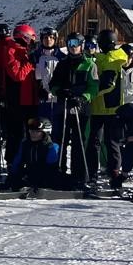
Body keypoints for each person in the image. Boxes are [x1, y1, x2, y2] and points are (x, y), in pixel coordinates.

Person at [47, 33, 98, 195]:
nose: (73, 46)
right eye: (70, 43)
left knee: (79, 143)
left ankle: (79, 177)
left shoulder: (89, 64)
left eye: (76, 43)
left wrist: (82, 98)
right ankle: (58, 174)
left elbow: (94, 88)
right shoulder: (62, 64)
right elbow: (53, 84)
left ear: (82, 46)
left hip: (80, 109)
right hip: (63, 107)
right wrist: (59, 91)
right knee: (59, 141)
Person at [90, 29, 127, 190]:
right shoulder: (101, 58)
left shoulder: (114, 58)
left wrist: (89, 94)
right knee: (96, 142)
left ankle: (114, 173)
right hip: (98, 108)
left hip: (111, 108)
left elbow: (108, 84)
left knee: (111, 142)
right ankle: (92, 173)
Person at [0, 23, 38, 163]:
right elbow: (18, 75)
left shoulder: (26, 51)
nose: (33, 41)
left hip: (30, 99)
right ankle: (13, 162)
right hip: (16, 99)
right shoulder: (11, 50)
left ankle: (28, 161)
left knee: (31, 132)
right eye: (31, 38)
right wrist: (29, 62)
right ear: (25, 37)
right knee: (17, 133)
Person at [4, 115, 79, 194]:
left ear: (45, 132)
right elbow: (17, 163)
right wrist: (11, 177)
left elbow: (51, 167)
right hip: (30, 174)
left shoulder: (52, 146)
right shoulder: (25, 145)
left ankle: (77, 187)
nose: (33, 134)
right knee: (16, 178)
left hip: (46, 176)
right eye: (31, 131)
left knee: (64, 179)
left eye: (37, 131)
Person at [31, 28, 63, 121]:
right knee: (43, 122)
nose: (48, 40)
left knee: (57, 123)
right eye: (45, 37)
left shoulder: (62, 57)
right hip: (41, 97)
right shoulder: (35, 56)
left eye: (51, 37)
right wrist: (39, 87)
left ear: (55, 39)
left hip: (57, 97)